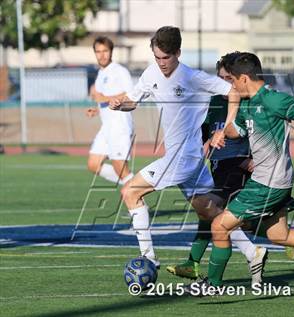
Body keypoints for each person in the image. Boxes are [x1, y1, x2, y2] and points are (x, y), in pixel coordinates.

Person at [186, 52, 294, 293]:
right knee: (279, 235)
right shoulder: (246, 103)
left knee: (219, 225)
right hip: (272, 181)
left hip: (269, 182)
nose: (231, 88)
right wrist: (222, 132)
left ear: (244, 78)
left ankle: (213, 284)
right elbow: (237, 131)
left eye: (233, 82)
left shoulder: (273, 100)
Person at [109, 28, 264, 282]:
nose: (162, 63)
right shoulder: (151, 73)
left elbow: (233, 93)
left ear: (178, 53)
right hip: (187, 159)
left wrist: (227, 126)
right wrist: (119, 104)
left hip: (183, 158)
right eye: (158, 57)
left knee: (130, 192)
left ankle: (148, 258)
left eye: (166, 58)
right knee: (208, 209)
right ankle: (253, 251)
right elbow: (133, 101)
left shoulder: (192, 77)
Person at [166, 52, 268, 282]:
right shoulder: (213, 102)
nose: (223, 83)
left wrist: (250, 160)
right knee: (211, 213)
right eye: (220, 77)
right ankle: (194, 263)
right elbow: (203, 132)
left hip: (239, 169)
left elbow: (259, 136)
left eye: (227, 78)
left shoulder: (246, 103)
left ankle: (250, 254)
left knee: (214, 213)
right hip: (217, 167)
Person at [86, 36, 134, 185]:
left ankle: (138, 199)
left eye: (105, 51)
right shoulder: (100, 74)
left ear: (111, 51)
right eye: (98, 51)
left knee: (120, 168)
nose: (102, 55)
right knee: (93, 164)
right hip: (106, 127)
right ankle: (132, 187)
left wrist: (105, 98)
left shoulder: (120, 71)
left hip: (120, 126)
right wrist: (97, 110)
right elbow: (103, 100)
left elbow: (131, 94)